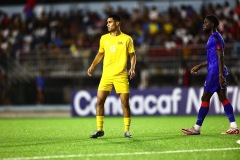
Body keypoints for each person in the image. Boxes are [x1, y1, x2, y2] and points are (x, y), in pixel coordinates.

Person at [181, 15, 239, 135]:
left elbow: (220, 56)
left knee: (205, 98)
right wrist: (200, 66)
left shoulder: (216, 37)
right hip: (217, 70)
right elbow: (213, 58)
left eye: (206, 22)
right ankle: (234, 126)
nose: (204, 25)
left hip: (215, 73)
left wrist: (220, 75)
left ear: (212, 24)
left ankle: (196, 128)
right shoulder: (214, 37)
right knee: (223, 97)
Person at [87, 14, 136, 138]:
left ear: (117, 23)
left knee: (125, 103)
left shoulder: (127, 39)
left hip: (121, 75)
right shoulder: (104, 38)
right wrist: (92, 66)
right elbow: (100, 53)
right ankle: (99, 129)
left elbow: (133, 55)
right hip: (106, 75)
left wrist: (132, 68)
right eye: (107, 22)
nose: (107, 24)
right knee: (99, 101)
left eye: (110, 22)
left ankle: (126, 130)